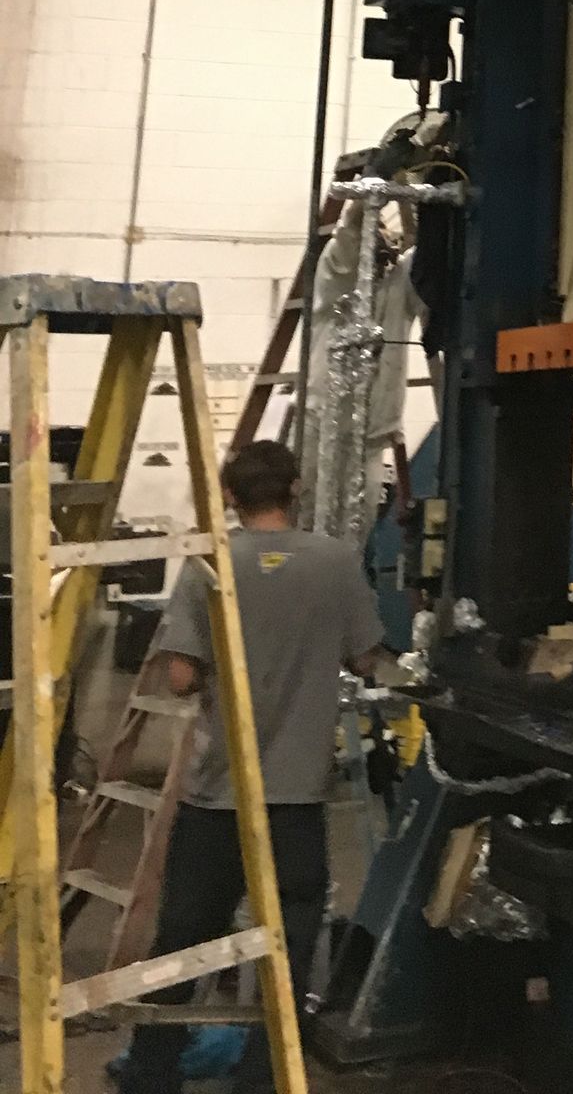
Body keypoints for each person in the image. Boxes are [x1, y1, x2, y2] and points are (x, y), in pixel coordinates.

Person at [120, 439, 385, 1094]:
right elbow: (369, 659)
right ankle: (262, 1080)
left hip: (218, 799)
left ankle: (151, 1076)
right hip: (297, 799)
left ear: (231, 497)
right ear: (295, 489)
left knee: (183, 943)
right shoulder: (338, 562)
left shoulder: (209, 564)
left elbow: (182, 679)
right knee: (288, 952)